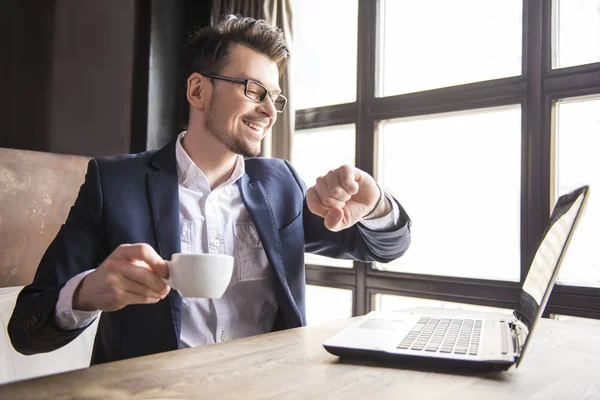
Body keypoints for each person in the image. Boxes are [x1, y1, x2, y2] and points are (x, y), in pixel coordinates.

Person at [9, 15, 411, 365]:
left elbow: (384, 248)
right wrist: (86, 293)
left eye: (275, 97)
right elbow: (26, 328)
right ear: (198, 91)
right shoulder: (114, 183)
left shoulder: (281, 184)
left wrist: (374, 204)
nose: (270, 111)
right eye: (254, 90)